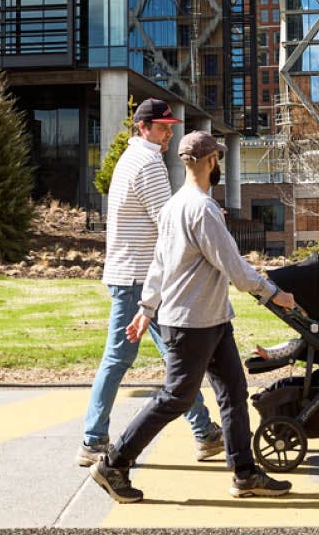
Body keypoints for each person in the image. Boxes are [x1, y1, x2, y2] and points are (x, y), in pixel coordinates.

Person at [90, 130, 298, 502]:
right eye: (217, 157)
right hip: (191, 323)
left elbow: (158, 265)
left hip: (211, 320)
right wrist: (274, 293)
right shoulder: (201, 210)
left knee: (233, 392)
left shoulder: (175, 205)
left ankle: (245, 473)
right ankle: (114, 465)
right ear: (212, 162)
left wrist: (145, 308)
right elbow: (234, 268)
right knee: (176, 397)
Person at [78, 98, 222, 467]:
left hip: (133, 274)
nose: (168, 133)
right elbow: (169, 222)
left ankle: (205, 433)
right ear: (142, 127)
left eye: (170, 127)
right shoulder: (148, 164)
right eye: (161, 127)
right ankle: (93, 440)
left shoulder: (132, 160)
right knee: (125, 357)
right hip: (138, 279)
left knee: (173, 357)